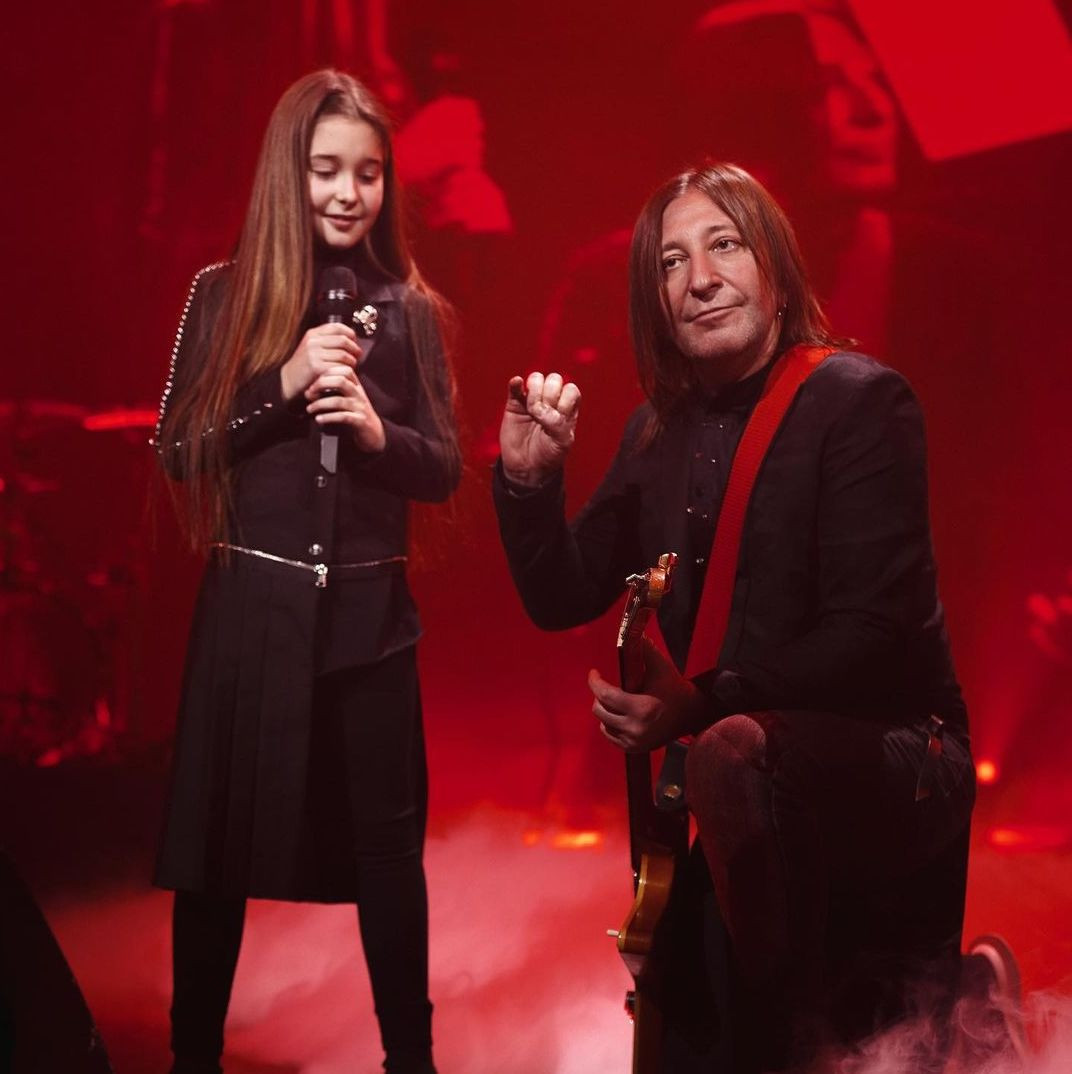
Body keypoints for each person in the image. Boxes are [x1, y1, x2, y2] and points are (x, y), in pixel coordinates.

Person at [493, 163, 976, 1072]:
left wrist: (702, 701)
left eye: (724, 245)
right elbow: (560, 593)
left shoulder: (861, 401)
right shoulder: (653, 432)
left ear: (778, 273)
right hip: (740, 776)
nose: (700, 278)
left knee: (728, 757)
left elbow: (873, 638)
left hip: (900, 759)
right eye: (671, 262)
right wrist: (527, 480)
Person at [152, 69, 460, 1074]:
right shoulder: (224, 294)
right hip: (251, 615)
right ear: (289, 172)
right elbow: (180, 448)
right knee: (216, 857)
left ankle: (409, 1060)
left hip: (372, 625)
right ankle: (191, 1058)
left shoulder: (411, 310)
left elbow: (444, 467)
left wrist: (377, 435)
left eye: (368, 173)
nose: (347, 192)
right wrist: (281, 382)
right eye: (326, 169)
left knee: (389, 857)